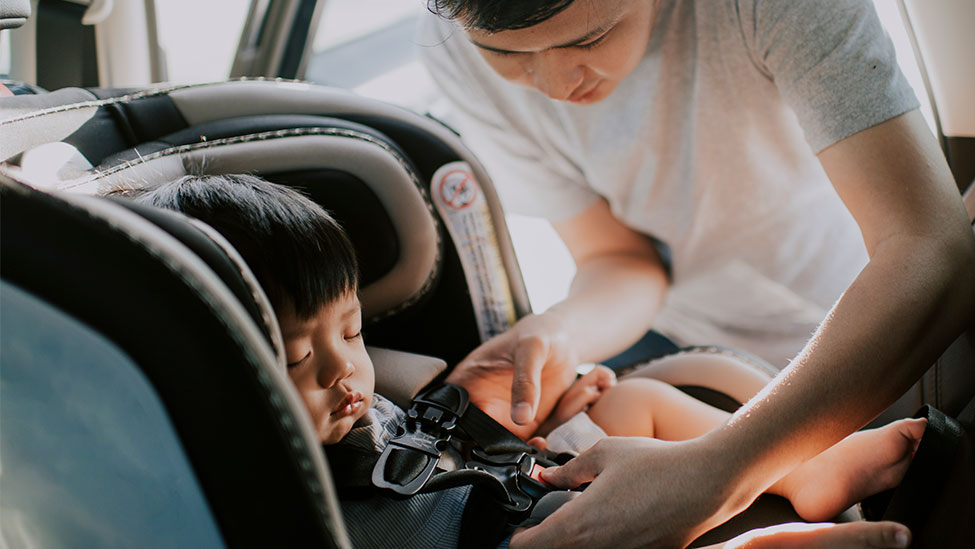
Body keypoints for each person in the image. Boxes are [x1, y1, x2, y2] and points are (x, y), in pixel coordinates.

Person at [389, 0, 975, 546]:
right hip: (691, 343)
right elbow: (621, 259)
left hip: (864, 341)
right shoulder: (450, 43)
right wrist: (560, 332)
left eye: (590, 37)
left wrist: (715, 473)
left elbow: (931, 251)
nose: (553, 86)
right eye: (507, 55)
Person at [134, 174, 925, 548]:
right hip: (511, 543)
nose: (345, 371)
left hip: (514, 475)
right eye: (301, 356)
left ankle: (801, 469)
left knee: (633, 400)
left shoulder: (353, 402)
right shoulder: (259, 503)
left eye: (351, 330)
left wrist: (517, 414)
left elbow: (423, 435)